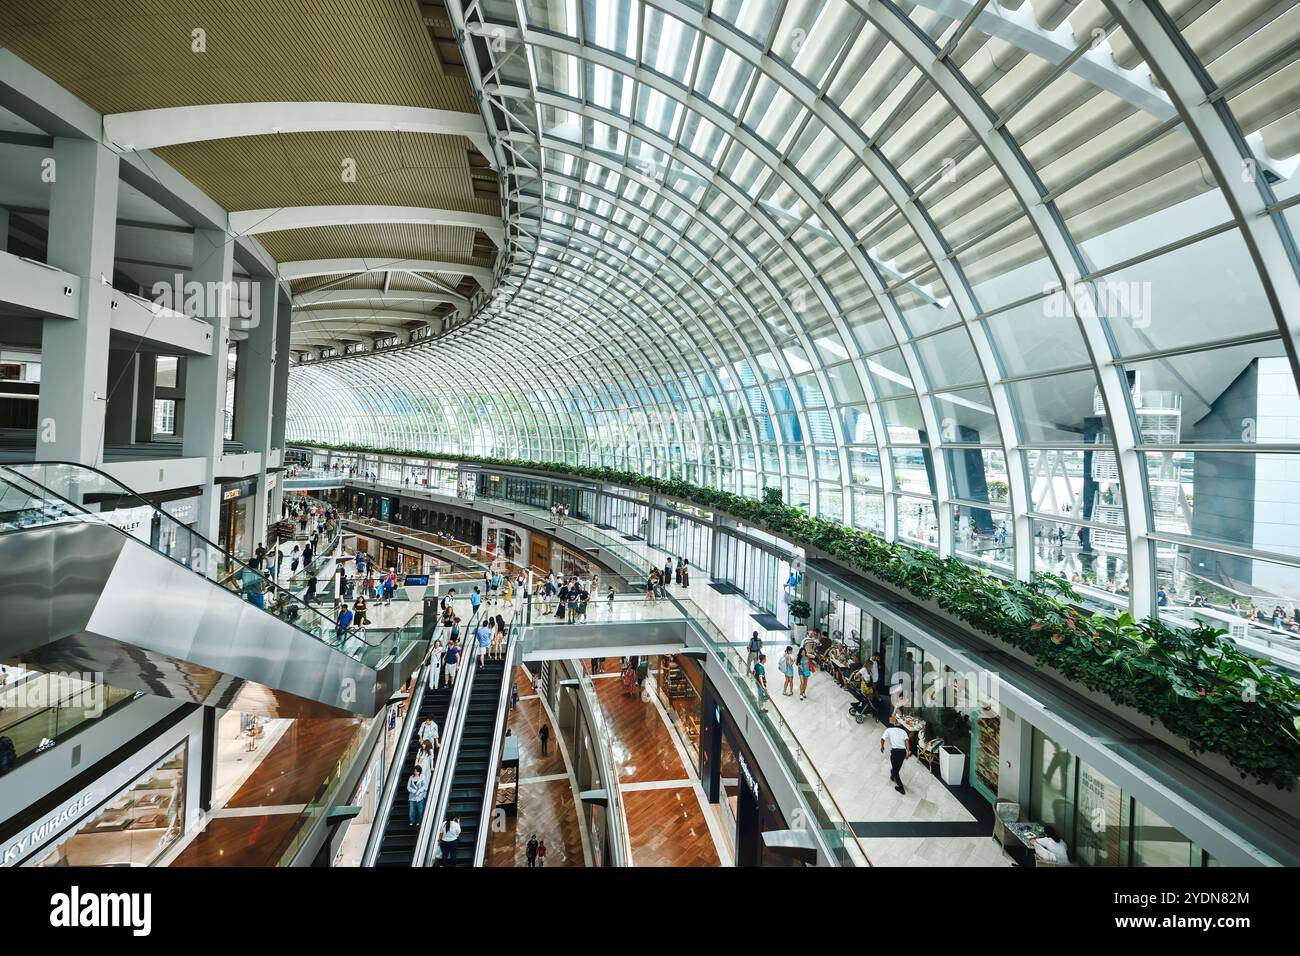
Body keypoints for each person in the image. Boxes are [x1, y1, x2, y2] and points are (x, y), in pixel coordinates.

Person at [881, 720, 910, 794]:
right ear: (901, 726)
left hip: (895, 752)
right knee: (896, 766)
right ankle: (892, 775)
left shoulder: (889, 730)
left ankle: (901, 788)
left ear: (894, 724)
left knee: (895, 770)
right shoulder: (904, 732)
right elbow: (907, 741)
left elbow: (882, 739)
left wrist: (882, 747)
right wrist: (907, 752)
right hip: (902, 752)